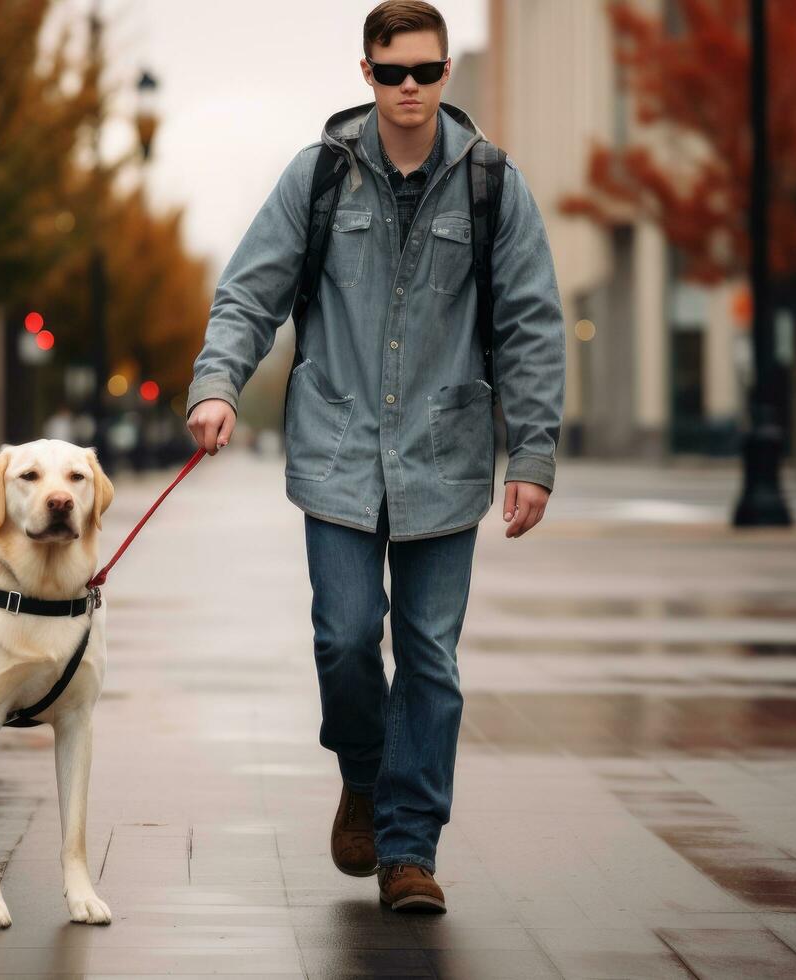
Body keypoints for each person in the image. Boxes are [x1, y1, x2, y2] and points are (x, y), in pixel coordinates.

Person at [184, 0, 565, 914]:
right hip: (340, 450)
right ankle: (365, 771)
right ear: (366, 72)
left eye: (427, 72)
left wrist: (535, 453)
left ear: (445, 75)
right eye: (392, 71)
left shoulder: (491, 184)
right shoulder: (320, 175)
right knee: (347, 638)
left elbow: (532, 325)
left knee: (430, 657)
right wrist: (216, 384)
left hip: (446, 456)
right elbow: (249, 292)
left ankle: (408, 850)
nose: (409, 88)